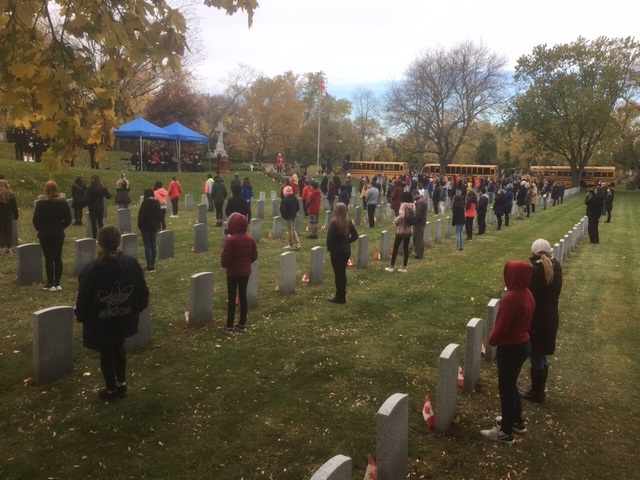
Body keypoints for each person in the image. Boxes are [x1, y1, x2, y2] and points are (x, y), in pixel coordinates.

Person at [75, 225, 149, 400]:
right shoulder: (130, 263)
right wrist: (135, 308)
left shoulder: (91, 269)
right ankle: (121, 385)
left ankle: (111, 389)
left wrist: (81, 315)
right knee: (118, 346)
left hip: (101, 320)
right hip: (123, 317)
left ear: (99, 243)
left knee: (107, 351)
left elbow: (83, 296)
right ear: (118, 241)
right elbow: (142, 292)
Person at [480, 260, 535, 444]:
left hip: (511, 347)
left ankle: (505, 432)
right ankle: (516, 421)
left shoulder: (511, 298)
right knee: (511, 385)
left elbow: (501, 327)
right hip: (524, 344)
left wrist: (491, 340)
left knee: (505, 387)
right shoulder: (527, 294)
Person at [520, 239, 562, 404]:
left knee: (536, 355)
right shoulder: (556, 267)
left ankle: (536, 393)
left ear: (533, 253)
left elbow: (531, 296)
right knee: (541, 355)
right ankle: (538, 391)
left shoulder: (536, 271)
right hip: (551, 316)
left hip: (538, 319)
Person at [218, 213, 258, 332]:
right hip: (245, 272)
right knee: (242, 296)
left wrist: (227, 265)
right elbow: (254, 256)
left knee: (231, 298)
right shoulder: (250, 238)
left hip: (233, 273)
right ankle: (241, 324)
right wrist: (246, 263)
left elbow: (225, 259)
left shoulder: (231, 240)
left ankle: (229, 325)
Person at [33, 180, 72, 290]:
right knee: (57, 257)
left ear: (46, 190)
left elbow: (36, 220)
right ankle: (57, 283)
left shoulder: (41, 204)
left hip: (45, 234)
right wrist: (60, 227)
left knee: (48, 258)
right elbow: (68, 219)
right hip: (58, 233)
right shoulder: (62, 203)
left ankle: (50, 283)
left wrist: (40, 229)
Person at [326, 202, 358, 304]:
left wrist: (330, 248)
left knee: (338, 274)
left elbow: (329, 239)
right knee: (342, 273)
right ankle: (342, 295)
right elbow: (355, 236)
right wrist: (347, 242)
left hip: (337, 251)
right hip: (346, 251)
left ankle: (339, 296)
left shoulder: (334, 222)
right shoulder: (348, 222)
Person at [385, 191, 415, 273]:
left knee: (395, 247)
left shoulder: (403, 205)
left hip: (401, 229)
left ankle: (391, 266)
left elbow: (401, 215)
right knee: (406, 248)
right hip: (409, 229)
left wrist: (395, 221)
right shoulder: (413, 205)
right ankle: (404, 267)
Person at [138, 188, 161, 272]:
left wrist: (140, 226)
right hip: (153, 226)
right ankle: (153, 265)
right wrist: (158, 225)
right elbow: (159, 215)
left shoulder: (145, 203)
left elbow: (141, 215)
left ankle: (148, 265)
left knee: (147, 246)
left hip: (145, 227)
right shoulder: (156, 202)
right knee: (153, 245)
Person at [85, 175, 111, 239]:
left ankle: (94, 237)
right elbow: (109, 196)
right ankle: (104, 236)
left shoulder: (90, 188)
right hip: (100, 207)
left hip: (92, 207)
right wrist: (104, 189)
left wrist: (89, 203)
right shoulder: (101, 188)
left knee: (93, 223)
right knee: (100, 222)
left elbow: (87, 199)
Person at [0, 179, 19, 254]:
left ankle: (1, 248)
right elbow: (14, 206)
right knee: (8, 231)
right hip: (9, 215)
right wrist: (16, 215)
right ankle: (9, 248)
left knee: (1, 231)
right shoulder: (11, 194)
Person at [280, 186, 301, 250]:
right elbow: (298, 208)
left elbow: (282, 210)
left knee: (290, 230)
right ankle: (297, 243)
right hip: (293, 215)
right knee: (293, 229)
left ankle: (291, 243)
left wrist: (284, 216)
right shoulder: (294, 198)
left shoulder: (285, 200)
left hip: (288, 216)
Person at [411, 189, 427, 259]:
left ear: (416, 194)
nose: (413, 197)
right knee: (420, 237)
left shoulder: (419, 202)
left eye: (413, 196)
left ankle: (417, 254)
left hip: (418, 222)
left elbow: (417, 213)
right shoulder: (423, 200)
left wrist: (413, 221)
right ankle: (421, 252)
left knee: (417, 238)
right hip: (423, 221)